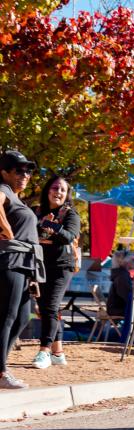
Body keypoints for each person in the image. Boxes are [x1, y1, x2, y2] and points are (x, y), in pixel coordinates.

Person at [0, 150, 40, 389]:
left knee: (23, 317)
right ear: (4, 172)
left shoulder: (15, 197)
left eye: (28, 171)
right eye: (19, 170)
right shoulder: (3, 189)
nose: (25, 175)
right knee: (6, 316)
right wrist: (8, 233)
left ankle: (1, 364)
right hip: (9, 260)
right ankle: (1, 373)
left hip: (23, 264)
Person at [31, 176, 81, 369]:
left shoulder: (70, 214)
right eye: (55, 188)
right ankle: (58, 353)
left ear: (66, 194)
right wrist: (46, 230)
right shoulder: (36, 211)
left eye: (62, 189)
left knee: (50, 307)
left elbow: (68, 237)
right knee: (45, 309)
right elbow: (30, 234)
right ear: (47, 190)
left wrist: (49, 226)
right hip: (39, 265)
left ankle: (44, 352)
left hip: (62, 266)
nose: (58, 192)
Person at [107, 249, 134, 320]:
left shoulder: (121, 273)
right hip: (116, 309)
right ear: (125, 262)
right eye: (131, 260)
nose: (133, 262)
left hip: (117, 307)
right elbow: (127, 296)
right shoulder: (122, 276)